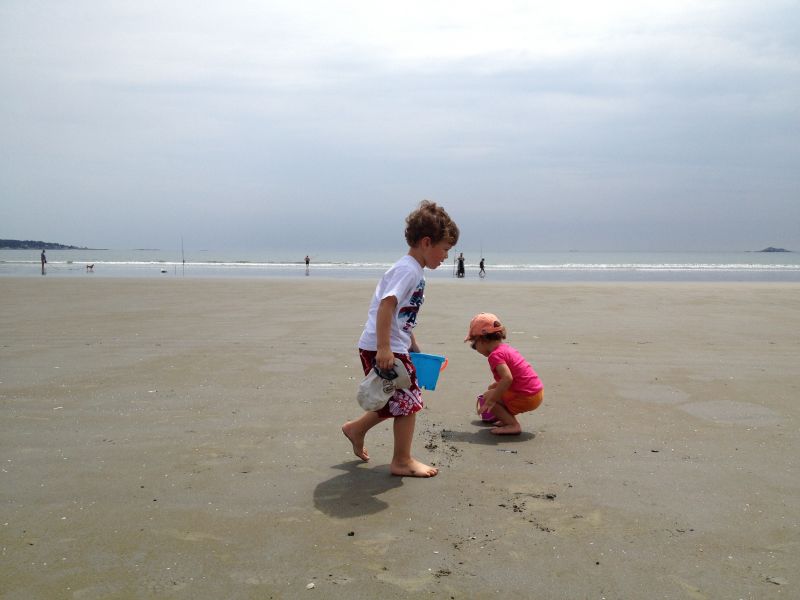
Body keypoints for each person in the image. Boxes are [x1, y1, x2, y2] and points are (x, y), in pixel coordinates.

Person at [342, 200, 459, 477]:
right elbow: (387, 306)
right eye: (445, 249)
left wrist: (411, 344)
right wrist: (384, 348)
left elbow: (400, 315)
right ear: (427, 242)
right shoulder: (408, 270)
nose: (446, 256)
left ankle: (356, 429)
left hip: (391, 345)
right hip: (383, 347)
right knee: (409, 402)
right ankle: (402, 461)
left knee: (393, 399)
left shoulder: (414, 270)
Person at [465, 313, 543, 435]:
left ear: (482, 340)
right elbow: (515, 375)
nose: (476, 349)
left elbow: (507, 378)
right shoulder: (505, 349)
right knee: (494, 389)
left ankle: (512, 424)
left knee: (487, 397)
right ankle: (506, 419)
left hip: (526, 396)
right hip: (536, 392)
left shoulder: (495, 356)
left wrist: (491, 401)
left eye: (474, 345)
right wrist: (496, 386)